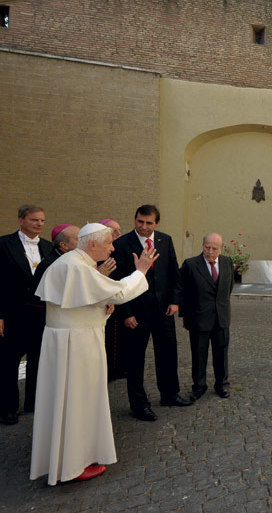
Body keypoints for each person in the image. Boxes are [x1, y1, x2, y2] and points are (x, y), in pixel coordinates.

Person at [31, 223, 157, 485]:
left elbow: (82, 300)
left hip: (69, 340)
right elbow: (120, 292)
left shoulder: (72, 262)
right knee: (78, 400)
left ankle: (70, 458)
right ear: (92, 245)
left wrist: (102, 306)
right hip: (76, 344)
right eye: (109, 243)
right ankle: (72, 467)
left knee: (70, 401)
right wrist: (141, 271)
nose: (113, 248)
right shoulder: (76, 265)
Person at [111, 205, 191, 421]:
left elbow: (174, 273)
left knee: (167, 354)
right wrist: (126, 313)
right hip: (136, 313)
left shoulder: (165, 240)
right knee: (135, 360)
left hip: (163, 310)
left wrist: (175, 301)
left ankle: (170, 394)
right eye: (140, 222)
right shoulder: (121, 244)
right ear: (135, 220)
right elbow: (117, 282)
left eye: (148, 223)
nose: (144, 227)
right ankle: (139, 405)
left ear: (157, 223)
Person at [0, 205, 52, 425]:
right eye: (34, 220)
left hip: (40, 314)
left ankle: (34, 403)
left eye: (41, 220)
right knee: (8, 363)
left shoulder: (49, 247)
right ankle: (7, 409)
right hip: (12, 313)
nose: (39, 224)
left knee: (39, 360)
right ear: (21, 220)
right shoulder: (3, 244)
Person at [180, 233, 235, 400]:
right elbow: (182, 291)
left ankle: (222, 384)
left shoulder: (227, 262)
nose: (210, 251)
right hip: (198, 318)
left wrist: (222, 307)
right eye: (207, 247)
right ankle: (199, 386)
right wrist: (185, 316)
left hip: (221, 317)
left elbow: (228, 287)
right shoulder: (190, 264)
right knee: (198, 354)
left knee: (221, 353)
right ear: (202, 245)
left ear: (222, 248)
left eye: (214, 248)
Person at [100, 219, 124, 380]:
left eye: (119, 230)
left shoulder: (120, 248)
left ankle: (118, 368)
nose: (118, 234)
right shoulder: (100, 252)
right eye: (113, 231)